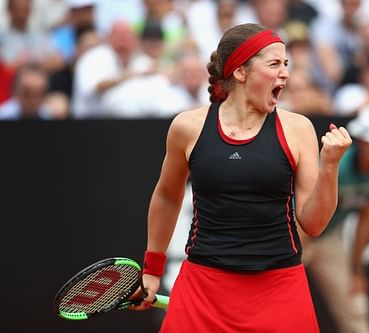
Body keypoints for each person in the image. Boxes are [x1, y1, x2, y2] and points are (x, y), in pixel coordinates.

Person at [131, 23, 352, 332]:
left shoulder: (298, 128)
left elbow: (314, 223)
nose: (285, 73)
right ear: (240, 72)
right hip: (203, 288)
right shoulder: (188, 127)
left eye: (286, 64)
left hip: (279, 289)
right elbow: (167, 196)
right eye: (274, 64)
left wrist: (330, 166)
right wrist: (152, 270)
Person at [302, 104, 369, 333]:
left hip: (328, 239)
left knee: (356, 306)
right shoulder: (335, 165)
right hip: (296, 237)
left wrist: (357, 271)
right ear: (362, 141)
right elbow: (302, 207)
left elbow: (366, 217)